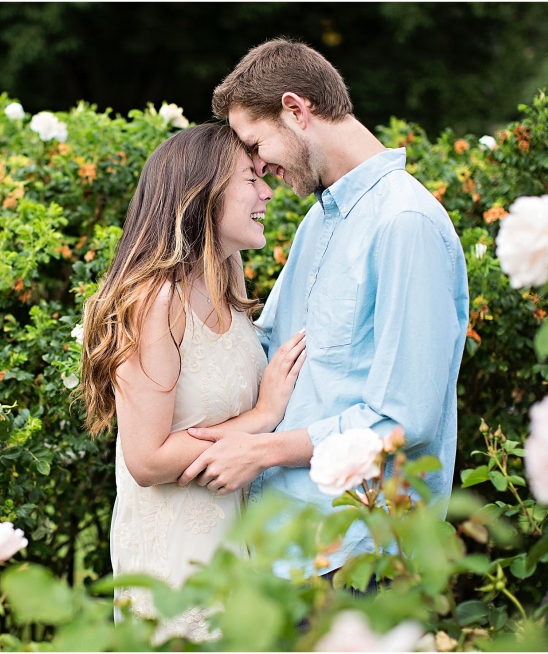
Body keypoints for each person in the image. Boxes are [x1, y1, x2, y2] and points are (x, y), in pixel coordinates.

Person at [178, 38, 469, 581]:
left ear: (296, 110)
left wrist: (261, 452)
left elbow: (406, 418)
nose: (258, 166)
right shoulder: (321, 221)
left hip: (360, 553)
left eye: (256, 143)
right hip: (289, 549)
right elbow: (269, 351)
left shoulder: (406, 224)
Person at [79, 123, 308, 637]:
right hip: (175, 564)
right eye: (251, 177)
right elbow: (146, 458)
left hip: (237, 546)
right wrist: (263, 417)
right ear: (202, 193)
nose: (267, 191)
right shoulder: (154, 301)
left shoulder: (228, 275)